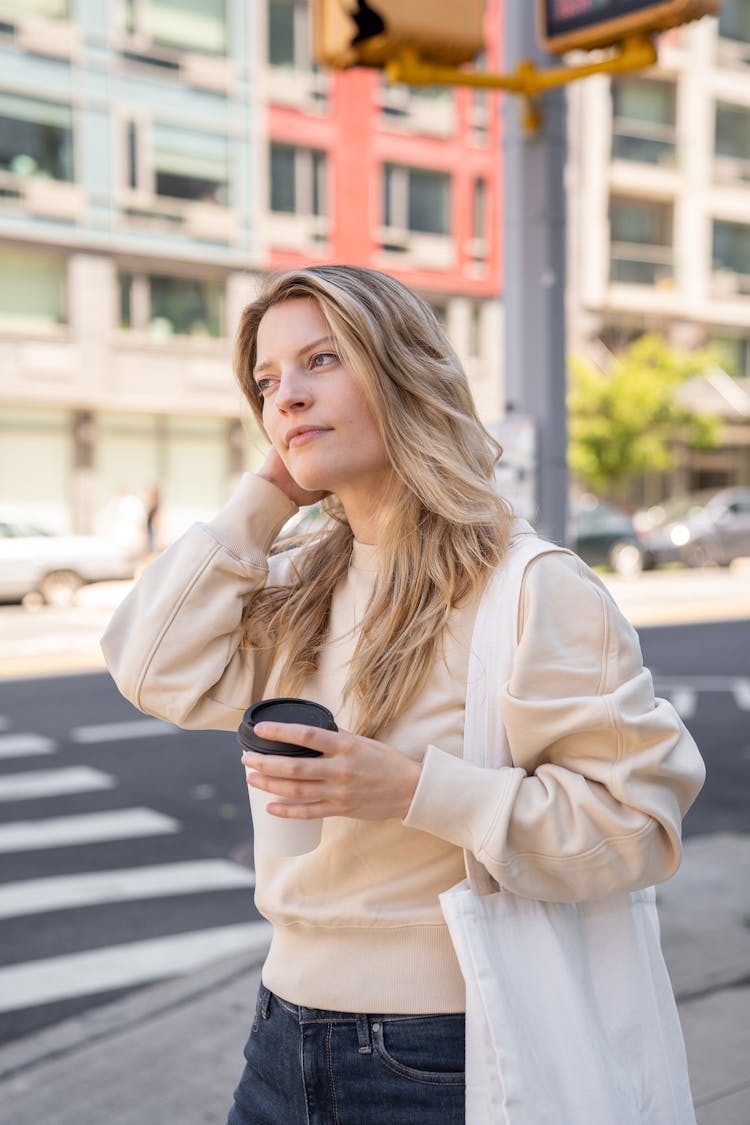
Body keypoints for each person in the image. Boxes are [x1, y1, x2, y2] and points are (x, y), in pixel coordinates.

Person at [101, 265, 704, 1125]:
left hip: (440, 1050)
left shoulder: (530, 588)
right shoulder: (304, 576)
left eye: (321, 360)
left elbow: (636, 824)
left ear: (401, 369)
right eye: (268, 383)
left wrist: (416, 790)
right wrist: (268, 494)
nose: (288, 398)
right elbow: (149, 666)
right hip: (279, 1033)